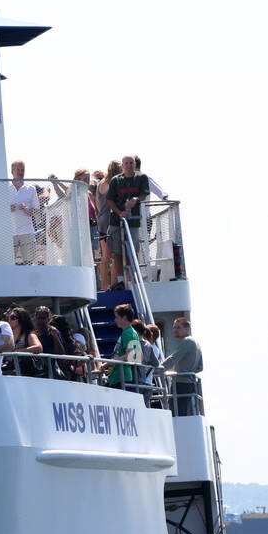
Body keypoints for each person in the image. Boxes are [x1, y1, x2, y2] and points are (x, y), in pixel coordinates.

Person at [107, 155, 149, 290]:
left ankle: (131, 281)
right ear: (122, 165)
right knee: (117, 252)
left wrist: (136, 200)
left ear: (134, 164)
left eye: (131, 163)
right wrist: (120, 213)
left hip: (134, 221)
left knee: (132, 251)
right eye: (126, 163)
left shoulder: (141, 177)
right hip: (117, 221)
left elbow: (144, 194)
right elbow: (109, 200)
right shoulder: (115, 180)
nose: (129, 165)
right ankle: (120, 281)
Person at [162, 317, 203, 416]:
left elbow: (173, 359)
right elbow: (200, 367)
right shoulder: (196, 343)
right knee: (184, 414)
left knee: (176, 414)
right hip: (190, 384)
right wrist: (189, 371)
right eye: (174, 327)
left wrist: (156, 370)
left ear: (187, 329)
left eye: (178, 327)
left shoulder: (187, 342)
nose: (175, 330)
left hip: (180, 384)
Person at [104, 303, 141, 389]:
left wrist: (109, 363)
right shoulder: (133, 333)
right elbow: (137, 356)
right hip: (127, 376)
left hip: (120, 376)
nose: (115, 320)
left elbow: (130, 356)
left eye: (117, 317)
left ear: (124, 318)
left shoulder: (126, 333)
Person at [95, 161, 119, 292]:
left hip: (102, 220)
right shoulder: (115, 183)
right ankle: (114, 283)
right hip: (112, 221)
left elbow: (98, 204)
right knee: (116, 255)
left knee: (105, 256)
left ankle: (104, 285)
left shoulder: (100, 184)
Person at [9, 161, 40, 265]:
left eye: (22, 170)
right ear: (12, 171)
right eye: (18, 170)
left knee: (29, 263)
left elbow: (37, 211)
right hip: (8, 232)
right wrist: (7, 209)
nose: (21, 172)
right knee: (7, 263)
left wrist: (28, 210)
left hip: (27, 232)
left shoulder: (31, 189)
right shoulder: (4, 187)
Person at [4, 307, 43, 375]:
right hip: (7, 371)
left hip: (23, 373)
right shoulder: (8, 336)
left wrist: (17, 352)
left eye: (13, 317)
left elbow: (39, 348)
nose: (9, 320)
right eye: (9, 317)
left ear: (22, 320)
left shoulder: (29, 335)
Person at [33, 306, 66, 378]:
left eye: (43, 318)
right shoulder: (33, 334)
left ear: (49, 319)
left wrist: (55, 337)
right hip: (37, 370)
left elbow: (61, 354)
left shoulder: (53, 332)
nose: (41, 321)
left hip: (51, 370)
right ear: (35, 319)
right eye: (39, 318)